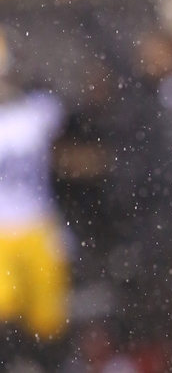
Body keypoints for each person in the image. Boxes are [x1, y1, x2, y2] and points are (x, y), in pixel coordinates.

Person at [0, 27, 69, 371]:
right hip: (3, 231)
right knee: (6, 320)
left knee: (48, 326)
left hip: (39, 224)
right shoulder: (37, 111)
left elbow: (59, 98)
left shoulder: (37, 109)